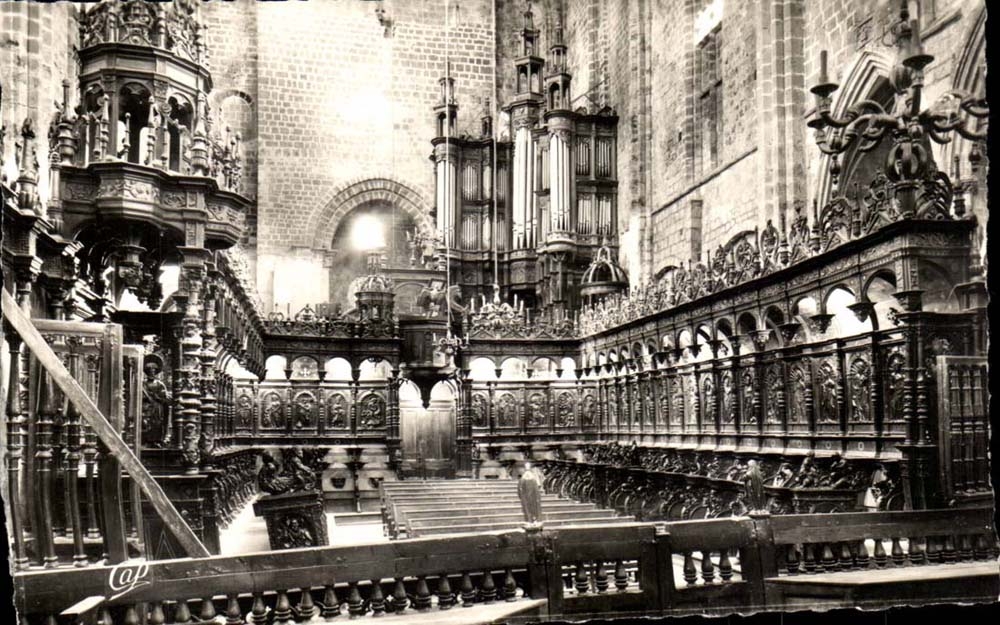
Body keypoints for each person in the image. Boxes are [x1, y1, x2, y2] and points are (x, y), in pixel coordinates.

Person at [518, 461, 544, 529]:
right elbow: (520, 489)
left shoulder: (531, 478)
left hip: (532, 497)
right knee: (528, 508)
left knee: (533, 507)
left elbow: (536, 489)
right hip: (527, 497)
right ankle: (530, 520)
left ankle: (534, 520)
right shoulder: (525, 479)